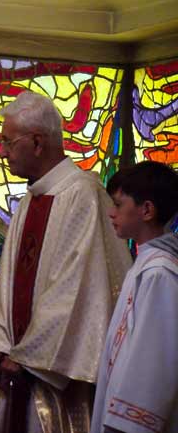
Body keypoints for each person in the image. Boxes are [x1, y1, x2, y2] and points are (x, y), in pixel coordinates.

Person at [0, 91, 133, 433]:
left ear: (37, 142)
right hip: (16, 373)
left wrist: (26, 355)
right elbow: (5, 285)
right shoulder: (30, 200)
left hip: (58, 387)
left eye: (7, 142)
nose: (1, 152)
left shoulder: (83, 196)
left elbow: (77, 291)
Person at [91, 161, 178, 433]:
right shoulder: (145, 264)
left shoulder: (159, 273)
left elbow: (153, 360)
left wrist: (126, 423)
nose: (111, 212)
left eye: (118, 204)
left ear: (147, 210)